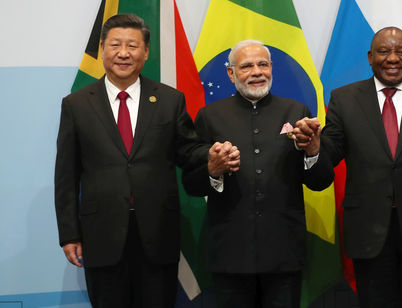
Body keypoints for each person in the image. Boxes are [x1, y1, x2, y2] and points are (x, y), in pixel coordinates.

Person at [54, 14, 239, 307]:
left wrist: (210, 156)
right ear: (102, 49)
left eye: (132, 45)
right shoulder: (76, 104)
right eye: (115, 45)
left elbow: (188, 152)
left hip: (157, 233)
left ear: (146, 52)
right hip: (101, 235)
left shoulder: (169, 100)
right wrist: (69, 234)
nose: (123, 53)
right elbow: (66, 175)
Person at [181, 39, 334, 307]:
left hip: (284, 252)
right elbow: (191, 184)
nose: (256, 72)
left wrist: (313, 151)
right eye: (247, 66)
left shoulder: (296, 112)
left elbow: (320, 182)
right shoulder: (209, 116)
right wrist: (213, 170)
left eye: (263, 64)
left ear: (272, 68)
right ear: (231, 73)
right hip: (230, 253)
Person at [316, 26, 402, 307]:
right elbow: (331, 152)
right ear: (369, 57)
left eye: (401, 52)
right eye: (384, 51)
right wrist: (313, 147)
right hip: (369, 231)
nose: (393, 58)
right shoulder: (344, 98)